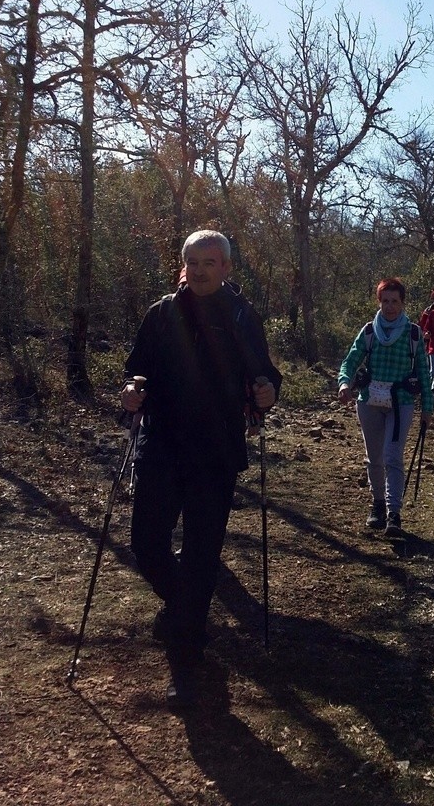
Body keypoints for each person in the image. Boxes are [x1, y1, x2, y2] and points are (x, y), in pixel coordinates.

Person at [120, 229, 281, 709]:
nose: (200, 269)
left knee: (200, 553)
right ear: (183, 263)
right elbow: (136, 370)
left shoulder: (240, 316)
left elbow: (267, 374)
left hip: (215, 451)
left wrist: (268, 391)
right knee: (146, 545)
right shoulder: (162, 312)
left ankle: (186, 656)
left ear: (227, 267)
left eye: (209, 262)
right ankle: (185, 606)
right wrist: (131, 391)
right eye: (193, 261)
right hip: (162, 445)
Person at [338, 278, 433, 538]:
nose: (390, 306)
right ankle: (377, 504)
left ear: (403, 302)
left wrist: (428, 406)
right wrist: (344, 383)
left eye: (395, 301)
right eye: (385, 301)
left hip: (400, 402)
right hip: (369, 401)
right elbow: (350, 360)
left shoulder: (413, 333)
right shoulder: (369, 331)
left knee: (392, 456)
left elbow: (423, 372)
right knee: (374, 456)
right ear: (379, 301)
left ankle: (394, 513)